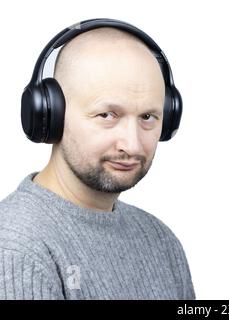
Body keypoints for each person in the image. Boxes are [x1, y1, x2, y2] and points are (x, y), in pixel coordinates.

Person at [0, 23, 195, 300]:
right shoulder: (18, 248)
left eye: (148, 118)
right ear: (50, 116)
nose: (132, 144)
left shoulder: (160, 240)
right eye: (107, 115)